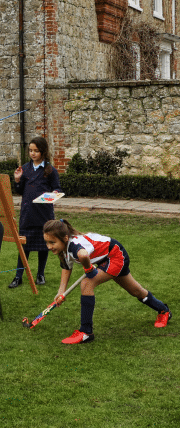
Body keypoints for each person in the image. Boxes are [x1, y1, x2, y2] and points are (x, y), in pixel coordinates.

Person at [43, 219, 171, 344]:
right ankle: (163, 310)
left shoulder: (74, 246)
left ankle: (86, 332)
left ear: (65, 238)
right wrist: (61, 291)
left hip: (115, 255)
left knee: (87, 283)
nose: (49, 246)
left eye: (52, 242)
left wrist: (88, 269)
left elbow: (83, 255)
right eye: (47, 242)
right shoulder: (65, 249)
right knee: (136, 290)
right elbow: (66, 268)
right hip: (106, 257)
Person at [9, 136, 61, 288]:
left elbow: (57, 188)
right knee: (23, 246)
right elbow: (18, 191)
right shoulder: (24, 169)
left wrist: (55, 193)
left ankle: (40, 274)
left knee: (43, 246)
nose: (32, 153)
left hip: (44, 214)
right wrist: (17, 180)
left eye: (36, 151)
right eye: (30, 150)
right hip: (28, 214)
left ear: (43, 152)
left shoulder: (50, 170)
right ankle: (18, 276)